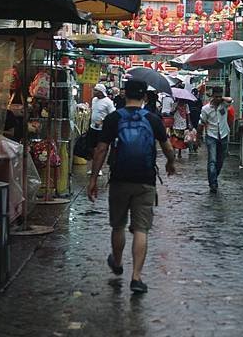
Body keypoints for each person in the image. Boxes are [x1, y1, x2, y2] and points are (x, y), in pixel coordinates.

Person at [87, 80, 176, 293]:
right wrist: (171, 163)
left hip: (119, 178)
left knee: (118, 226)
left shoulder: (114, 118)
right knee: (141, 229)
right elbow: (167, 147)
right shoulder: (153, 120)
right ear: (145, 96)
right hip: (145, 180)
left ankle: (117, 263)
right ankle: (136, 277)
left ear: (125, 95)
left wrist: (92, 179)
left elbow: (101, 149)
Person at [197, 86, 233, 193]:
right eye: (216, 96)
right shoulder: (206, 109)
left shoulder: (224, 105)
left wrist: (221, 99)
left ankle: (214, 177)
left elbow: (230, 100)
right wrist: (197, 138)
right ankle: (213, 183)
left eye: (219, 96)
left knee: (220, 160)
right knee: (212, 160)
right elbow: (201, 123)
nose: (218, 98)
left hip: (223, 135)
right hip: (211, 136)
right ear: (212, 96)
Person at [88, 84, 115, 172]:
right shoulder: (94, 100)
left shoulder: (108, 102)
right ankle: (93, 165)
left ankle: (98, 168)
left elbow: (112, 115)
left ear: (100, 92)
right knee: (91, 147)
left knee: (100, 149)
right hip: (92, 127)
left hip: (102, 129)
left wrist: (102, 121)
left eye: (96, 90)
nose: (94, 91)